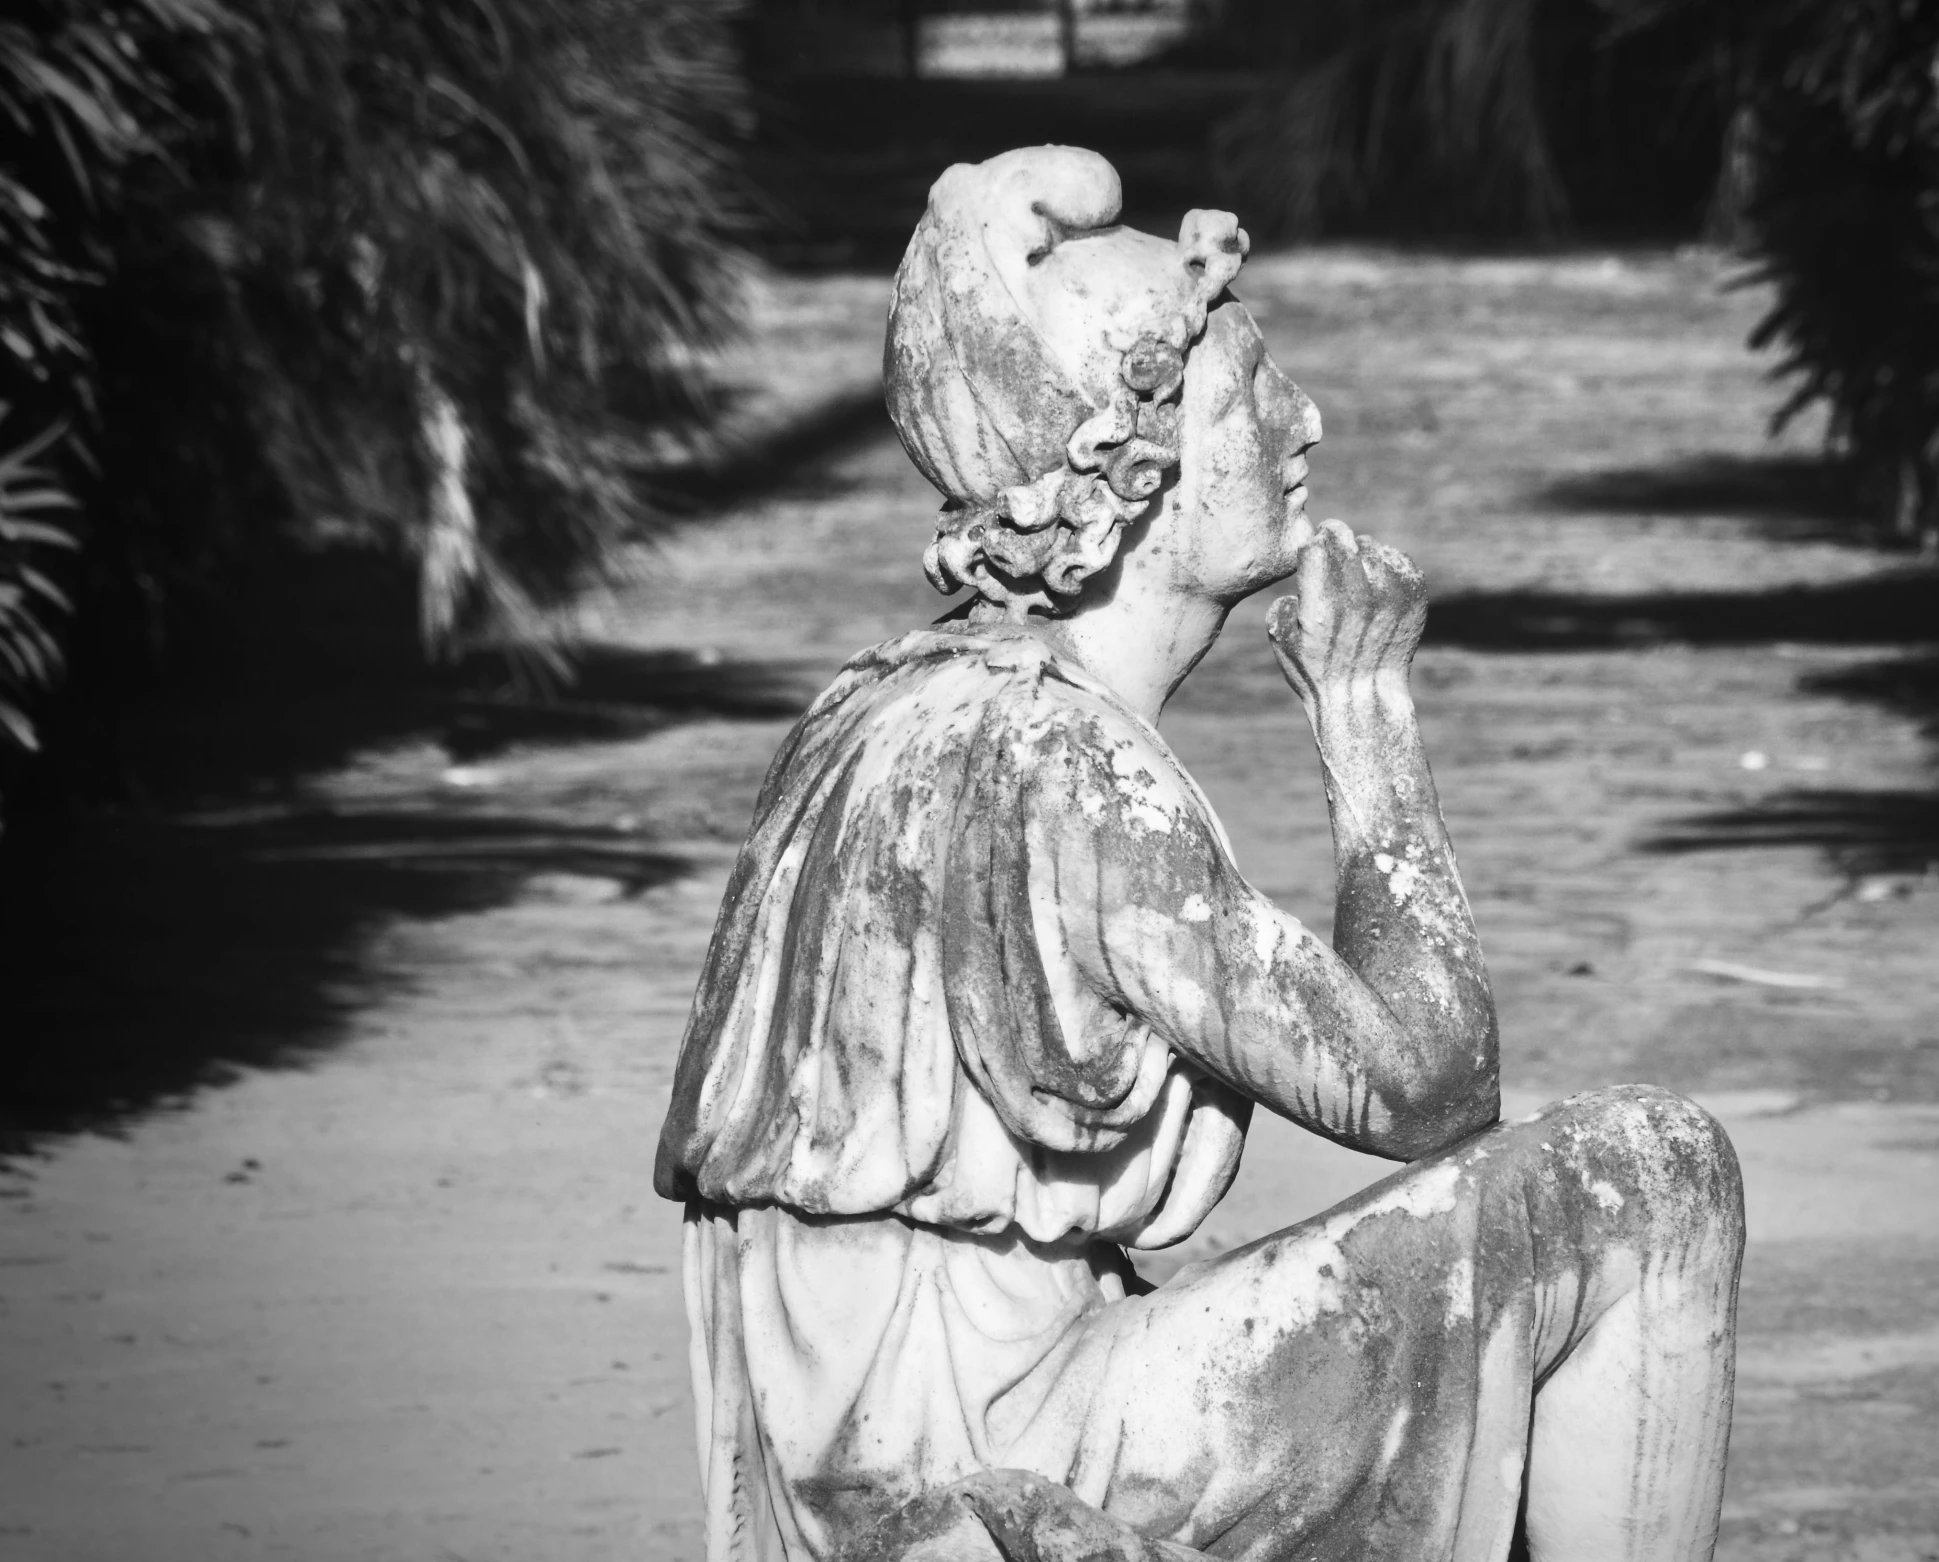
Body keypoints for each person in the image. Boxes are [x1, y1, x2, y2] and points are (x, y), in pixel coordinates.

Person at [654, 145, 1744, 1562]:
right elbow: (1429, 1088)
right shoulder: (1071, 772)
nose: (1305, 423)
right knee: (1651, 1174)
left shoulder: (882, 704)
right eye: (1252, 389)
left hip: (861, 1458)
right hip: (995, 1469)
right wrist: (1364, 718)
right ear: (1136, 458)